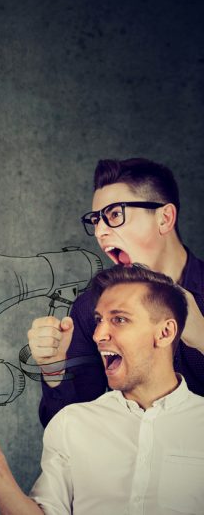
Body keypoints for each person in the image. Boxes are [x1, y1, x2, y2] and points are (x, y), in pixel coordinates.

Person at [0, 264, 204, 514]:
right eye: (99, 320)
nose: (98, 334)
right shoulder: (72, 423)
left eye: (119, 319)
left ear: (165, 332)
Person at [26, 158, 204, 425]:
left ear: (165, 218)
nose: (100, 231)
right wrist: (54, 369)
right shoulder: (91, 309)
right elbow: (70, 431)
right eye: (96, 220)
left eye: (114, 215)